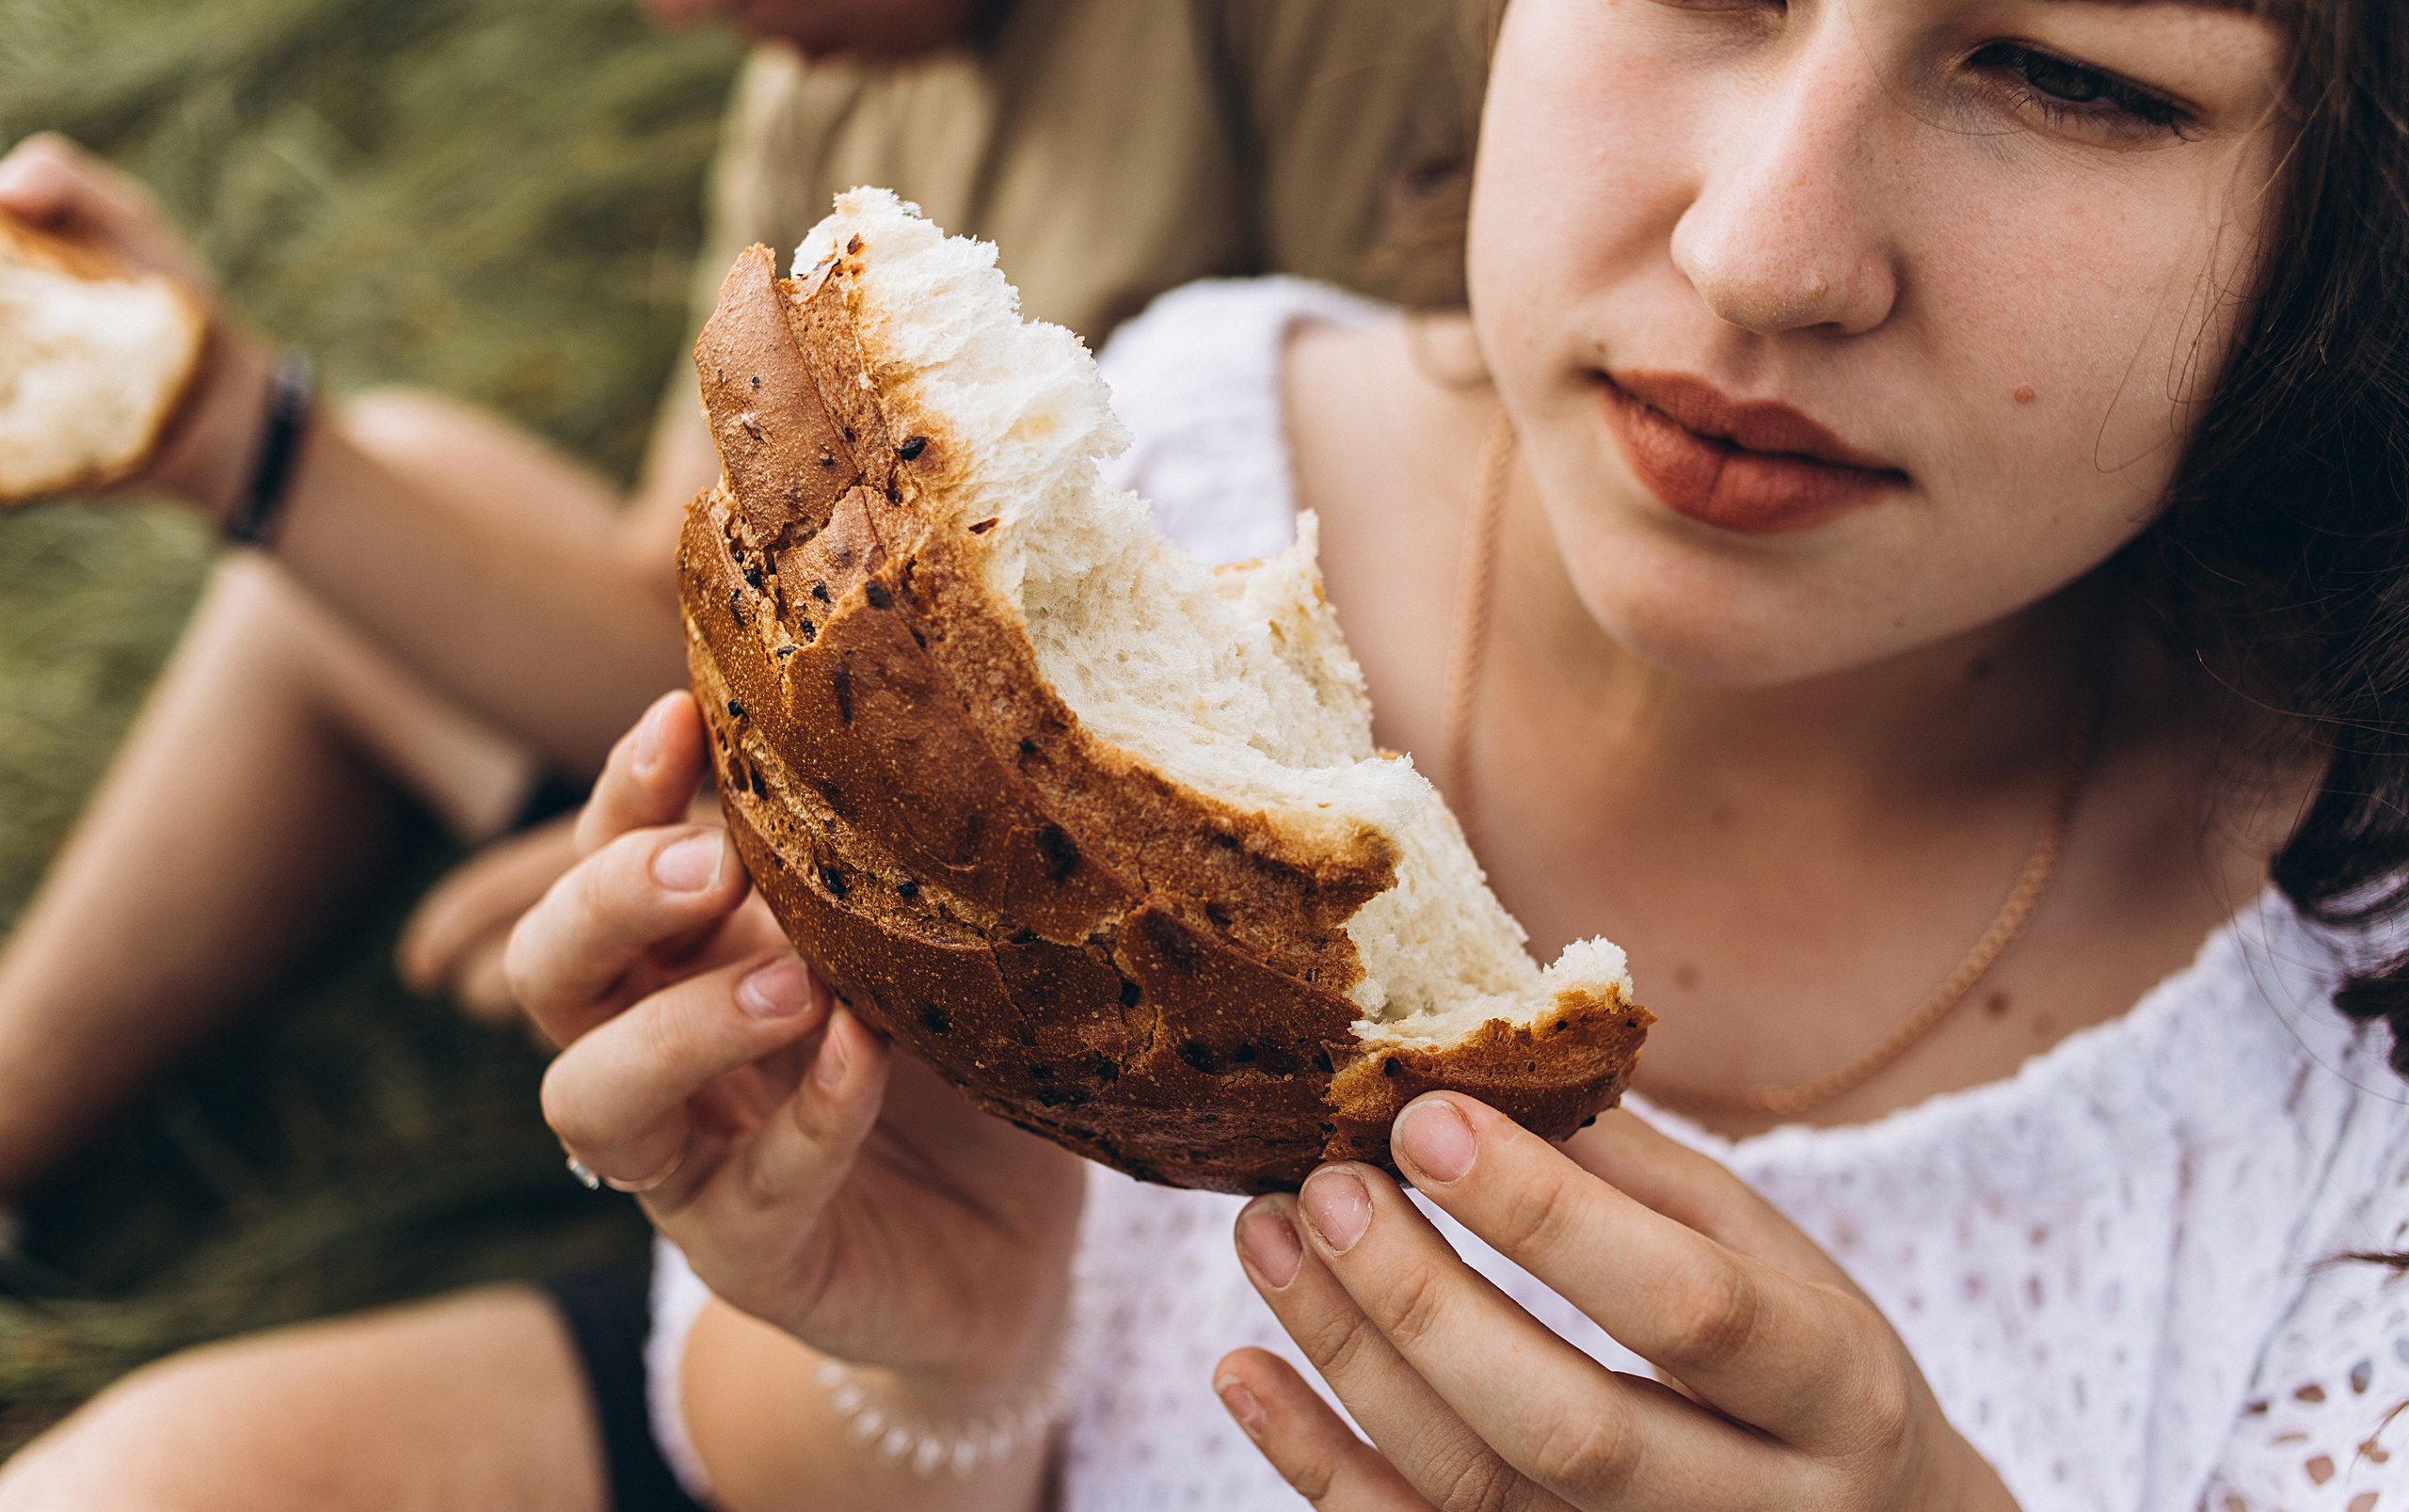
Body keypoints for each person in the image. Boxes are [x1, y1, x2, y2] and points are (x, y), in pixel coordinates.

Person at [6, 0, 2407, 1512]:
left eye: (2072, 70)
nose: (1762, 251)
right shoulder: (1180, 442)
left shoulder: (2336, 1102)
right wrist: (927, 1349)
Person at [0, 0, 1483, 1205]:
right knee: (396, 470)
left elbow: (1399, 578)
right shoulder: (818, 83)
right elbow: (680, 603)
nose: (675, 18)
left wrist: (788, 870)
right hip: (902, 799)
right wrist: (230, 427)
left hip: (1162, 935)